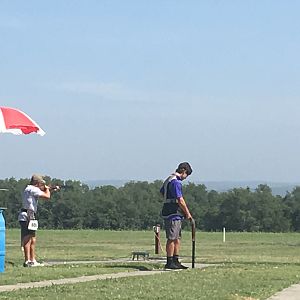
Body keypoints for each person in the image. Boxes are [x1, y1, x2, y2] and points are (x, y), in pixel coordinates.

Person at [160, 162, 193, 269]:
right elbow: (180, 199)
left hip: (175, 212)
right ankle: (169, 261)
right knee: (172, 238)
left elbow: (162, 192)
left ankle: (176, 260)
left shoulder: (169, 179)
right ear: (183, 171)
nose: (185, 177)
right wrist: (188, 213)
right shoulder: (175, 182)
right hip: (172, 212)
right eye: (186, 175)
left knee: (177, 238)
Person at [18, 174, 54, 267]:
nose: (41, 185)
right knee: (27, 238)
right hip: (28, 215)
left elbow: (42, 194)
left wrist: (49, 189)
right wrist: (47, 189)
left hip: (30, 215)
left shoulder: (30, 189)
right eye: (40, 183)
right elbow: (47, 196)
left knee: (32, 238)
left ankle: (32, 260)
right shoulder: (33, 189)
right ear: (36, 183)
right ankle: (27, 261)